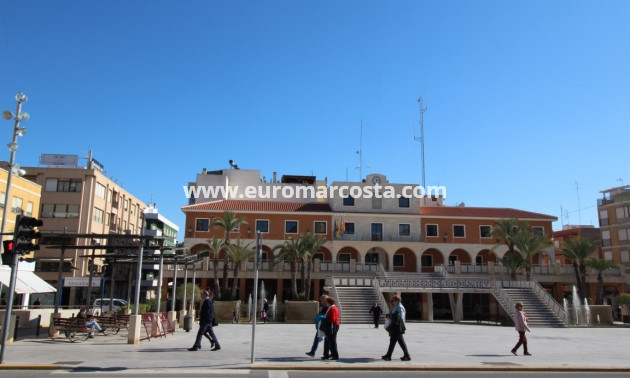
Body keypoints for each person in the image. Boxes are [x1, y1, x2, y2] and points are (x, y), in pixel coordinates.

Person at [382, 295, 411, 361]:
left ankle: (388, 355)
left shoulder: (400, 307)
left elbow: (400, 317)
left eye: (393, 301)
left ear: (397, 301)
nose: (392, 302)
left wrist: (391, 316)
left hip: (398, 326)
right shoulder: (396, 307)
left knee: (392, 341)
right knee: (401, 342)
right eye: (392, 301)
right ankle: (407, 355)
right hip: (396, 326)